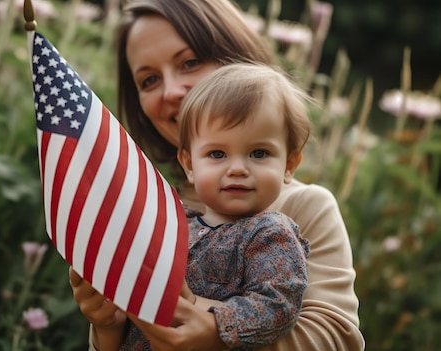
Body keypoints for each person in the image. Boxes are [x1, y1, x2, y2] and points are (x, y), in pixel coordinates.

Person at [69, 0, 365, 350]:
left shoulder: (301, 209)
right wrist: (109, 329)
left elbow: (334, 339)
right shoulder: (152, 213)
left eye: (190, 62)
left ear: (234, 54)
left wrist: (215, 331)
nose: (171, 91)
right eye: (149, 79)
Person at [129, 62, 313, 349]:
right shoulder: (173, 223)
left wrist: (215, 323)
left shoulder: (270, 234)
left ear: (289, 164)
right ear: (189, 164)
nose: (238, 168)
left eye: (259, 153)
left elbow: (278, 303)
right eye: (217, 153)